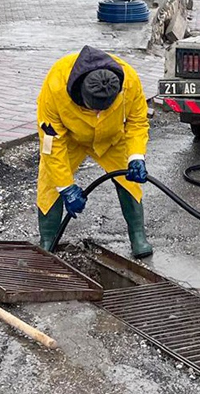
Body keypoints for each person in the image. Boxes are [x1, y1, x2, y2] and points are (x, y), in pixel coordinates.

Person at [35, 45, 153, 258]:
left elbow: (137, 122)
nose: (97, 113)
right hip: (70, 138)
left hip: (112, 139)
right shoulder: (55, 85)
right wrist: (66, 187)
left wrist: (136, 156)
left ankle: (138, 234)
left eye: (103, 109)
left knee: (130, 181)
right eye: (94, 108)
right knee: (50, 182)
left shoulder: (129, 81)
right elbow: (51, 145)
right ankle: (48, 239)